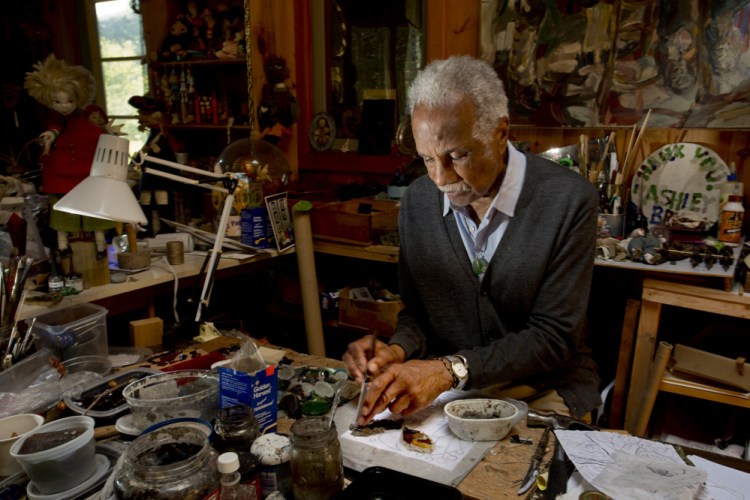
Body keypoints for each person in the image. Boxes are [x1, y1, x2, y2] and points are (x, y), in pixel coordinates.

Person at [343, 55, 601, 426]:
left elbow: (554, 336)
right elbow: (419, 312)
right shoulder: (417, 202)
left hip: (544, 386)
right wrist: (396, 350)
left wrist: (448, 370)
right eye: (427, 159)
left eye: (457, 155)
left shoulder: (567, 200)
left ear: (499, 133)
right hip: (454, 388)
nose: (440, 177)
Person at [24, 55, 114, 257]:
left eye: (69, 101)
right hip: (62, 170)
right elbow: (54, 127)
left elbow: (103, 132)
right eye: (57, 101)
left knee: (94, 208)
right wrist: (49, 135)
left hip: (88, 169)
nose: (64, 106)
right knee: (63, 208)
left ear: (79, 97)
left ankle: (100, 244)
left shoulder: (90, 115)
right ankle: (63, 244)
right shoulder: (55, 118)